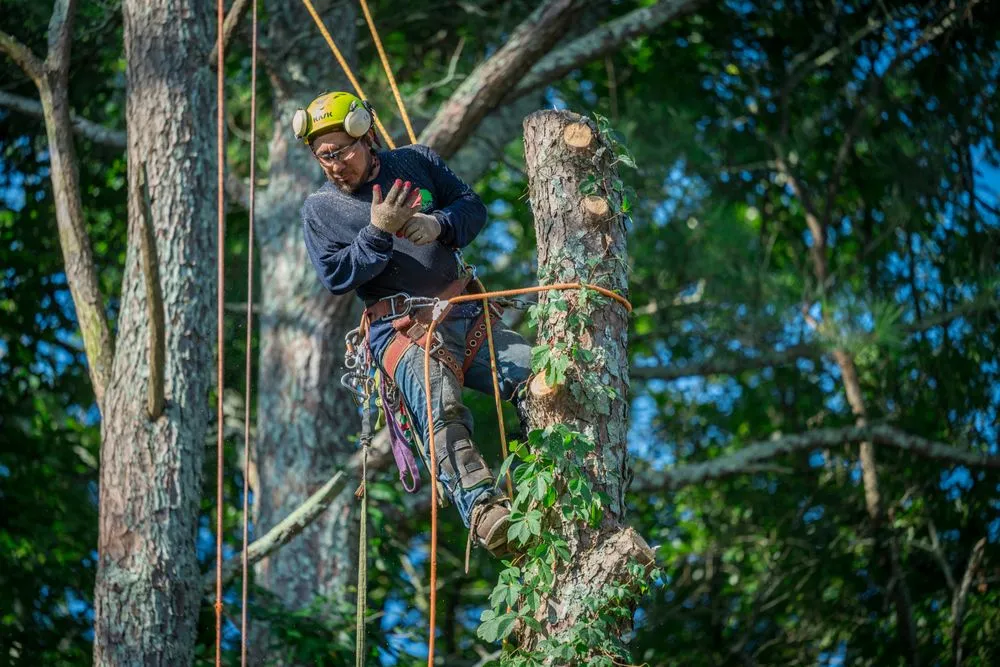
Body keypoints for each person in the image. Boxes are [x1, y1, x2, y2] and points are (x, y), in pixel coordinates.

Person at [296, 91, 530, 558]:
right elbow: (337, 275)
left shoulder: (416, 162)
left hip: (464, 312)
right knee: (438, 402)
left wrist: (439, 224)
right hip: (400, 329)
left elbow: (471, 206)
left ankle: (557, 473)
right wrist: (378, 231)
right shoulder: (320, 209)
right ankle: (485, 510)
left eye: (342, 151)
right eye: (325, 156)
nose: (335, 164)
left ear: (368, 137)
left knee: (539, 375)